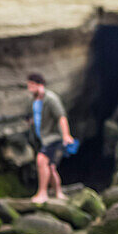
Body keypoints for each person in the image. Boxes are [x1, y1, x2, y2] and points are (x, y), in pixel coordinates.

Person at [25, 72, 74, 203]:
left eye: (32, 84)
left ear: (40, 85)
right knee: (51, 167)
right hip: (41, 138)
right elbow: (35, 116)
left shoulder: (50, 99)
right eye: (28, 84)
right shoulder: (34, 100)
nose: (29, 87)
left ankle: (42, 193)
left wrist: (66, 135)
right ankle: (59, 193)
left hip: (52, 137)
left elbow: (61, 117)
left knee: (41, 161)